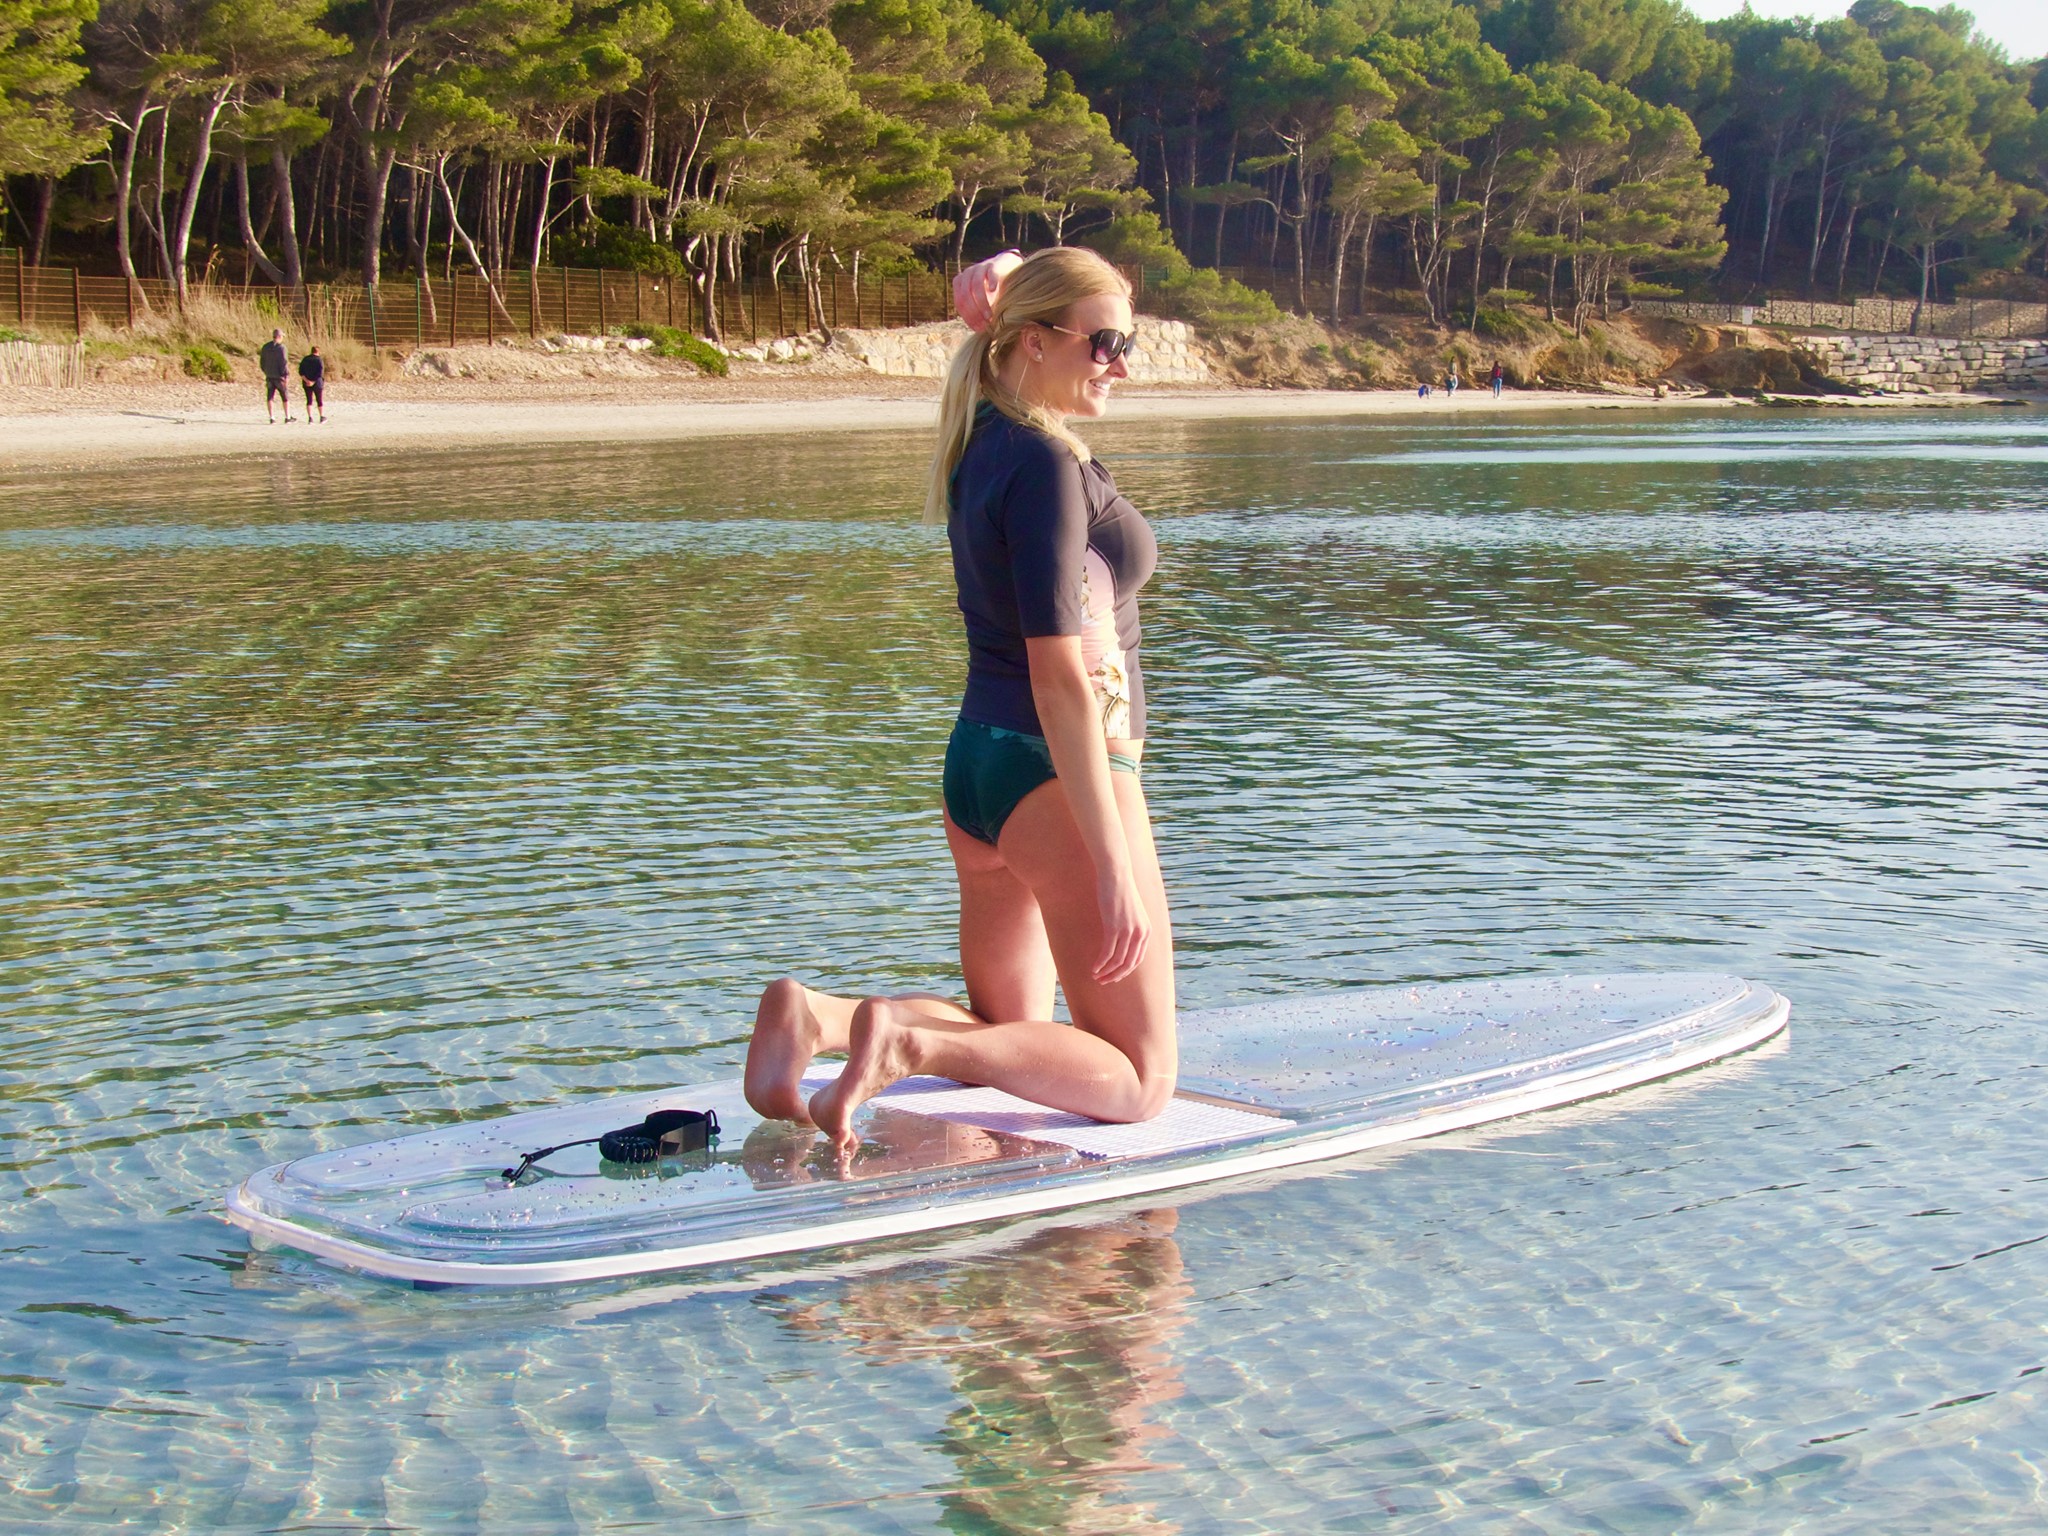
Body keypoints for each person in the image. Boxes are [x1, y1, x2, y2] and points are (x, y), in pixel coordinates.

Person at [743, 246, 1177, 1150]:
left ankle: (818, 1020)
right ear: (1032, 341)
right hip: (1061, 771)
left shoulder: (983, 442)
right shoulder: (1047, 466)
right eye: (1104, 343)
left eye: (1125, 341)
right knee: (1137, 1080)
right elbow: (1059, 670)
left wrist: (1011, 271)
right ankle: (900, 1040)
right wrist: (1109, 862)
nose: (1122, 363)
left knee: (1013, 1029)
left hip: (981, 769)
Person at [260, 329, 292, 423]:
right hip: (279, 376)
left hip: (269, 375)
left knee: (270, 397)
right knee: (285, 396)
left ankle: (272, 417)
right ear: (279, 337)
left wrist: (266, 371)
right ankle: (287, 417)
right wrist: (286, 375)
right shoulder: (282, 348)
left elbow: (262, 362)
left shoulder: (265, 347)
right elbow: (284, 362)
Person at [298, 345, 326, 422]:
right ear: (318, 352)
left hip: (306, 382)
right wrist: (313, 381)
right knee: (319, 400)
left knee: (309, 400)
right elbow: (320, 373)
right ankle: (321, 416)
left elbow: (301, 371)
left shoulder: (305, 359)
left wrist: (307, 380)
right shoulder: (319, 360)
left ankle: (310, 417)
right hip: (317, 383)